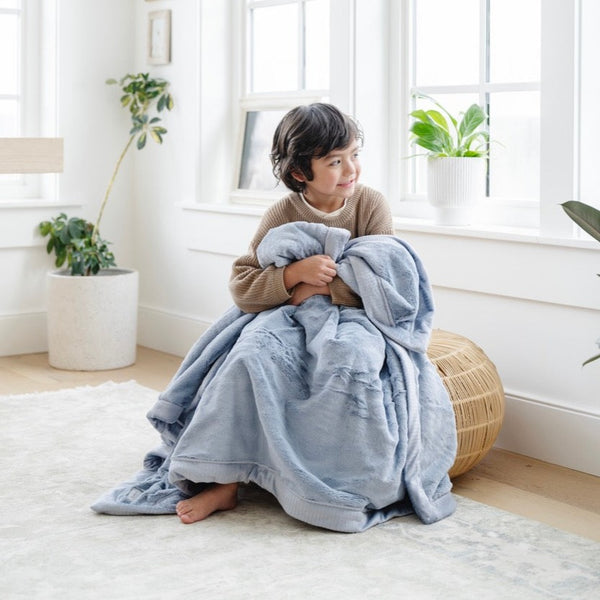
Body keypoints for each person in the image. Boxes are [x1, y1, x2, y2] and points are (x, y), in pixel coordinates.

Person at [175, 102, 394, 524]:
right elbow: (243, 284)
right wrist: (293, 276)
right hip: (287, 316)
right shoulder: (282, 213)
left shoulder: (370, 206)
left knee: (350, 362)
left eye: (354, 155)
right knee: (248, 358)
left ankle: (338, 481)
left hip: (354, 318)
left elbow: (387, 279)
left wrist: (326, 286)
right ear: (300, 173)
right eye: (335, 161)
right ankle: (225, 482)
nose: (351, 169)